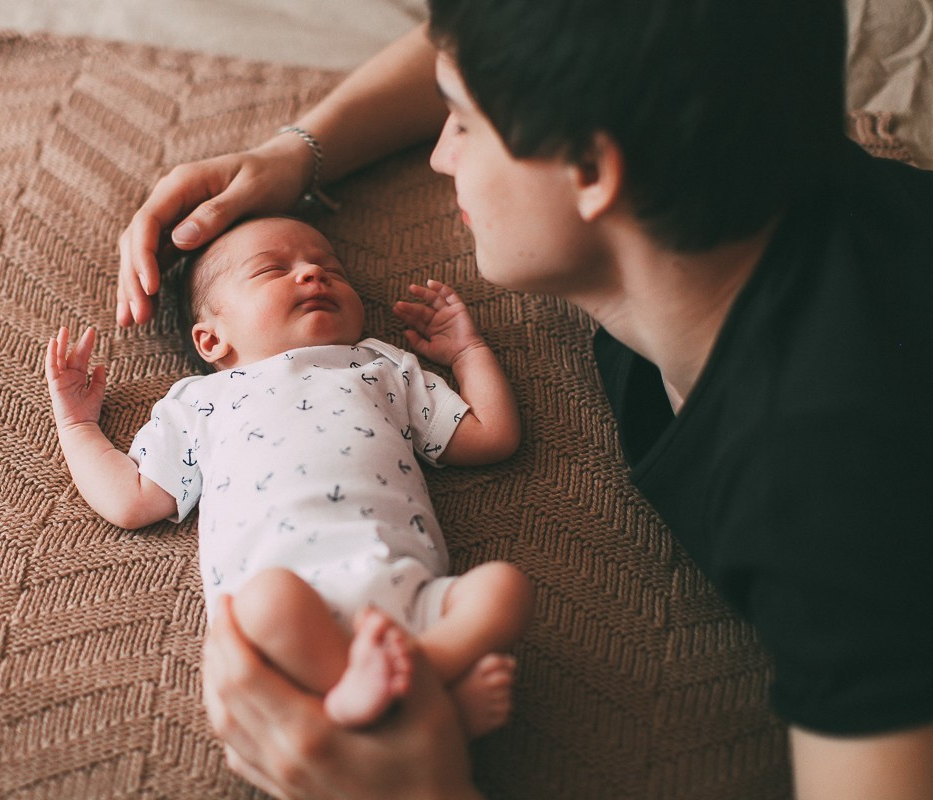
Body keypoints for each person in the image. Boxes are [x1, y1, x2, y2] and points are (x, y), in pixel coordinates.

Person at [117, 0, 933, 798]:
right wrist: (300, 151)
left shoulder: (826, 493)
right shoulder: (757, 158)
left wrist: (421, 787)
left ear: (589, 169)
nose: (439, 154)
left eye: (464, 121)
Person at [49, 214, 533, 739]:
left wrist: (469, 352)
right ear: (211, 340)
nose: (313, 275)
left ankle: (418, 680)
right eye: (272, 270)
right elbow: (131, 500)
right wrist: (77, 424)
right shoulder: (200, 402)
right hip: (289, 613)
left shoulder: (380, 366)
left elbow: (493, 437)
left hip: (408, 599)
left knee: (503, 588)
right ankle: (401, 698)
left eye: (330, 268)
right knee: (265, 600)